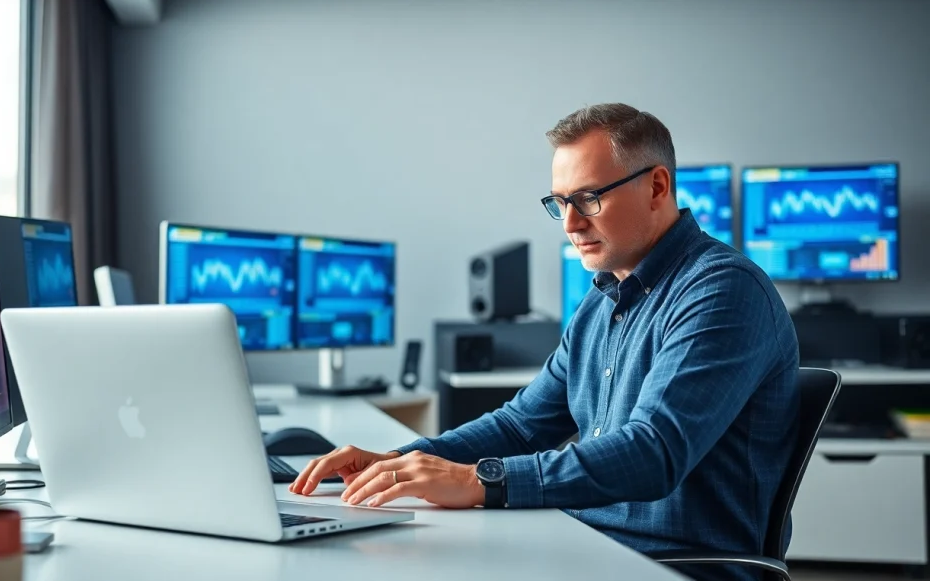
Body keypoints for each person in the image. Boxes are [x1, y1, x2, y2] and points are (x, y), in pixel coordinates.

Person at [289, 103, 799, 581]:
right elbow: (521, 425)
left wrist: (478, 481)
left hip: (673, 566)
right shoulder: (602, 301)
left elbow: (654, 451)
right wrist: (397, 463)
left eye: (589, 198)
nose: (572, 223)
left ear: (657, 186)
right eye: (561, 203)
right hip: (586, 543)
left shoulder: (722, 290)